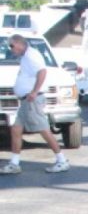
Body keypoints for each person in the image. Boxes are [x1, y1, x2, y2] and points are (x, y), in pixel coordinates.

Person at [0, 34, 69, 174]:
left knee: (43, 129)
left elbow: (42, 72)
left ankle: (62, 160)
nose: (11, 49)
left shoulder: (32, 56)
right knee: (16, 129)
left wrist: (34, 91)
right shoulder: (26, 57)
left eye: (12, 46)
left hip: (32, 100)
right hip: (25, 101)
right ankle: (14, 163)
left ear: (20, 44)